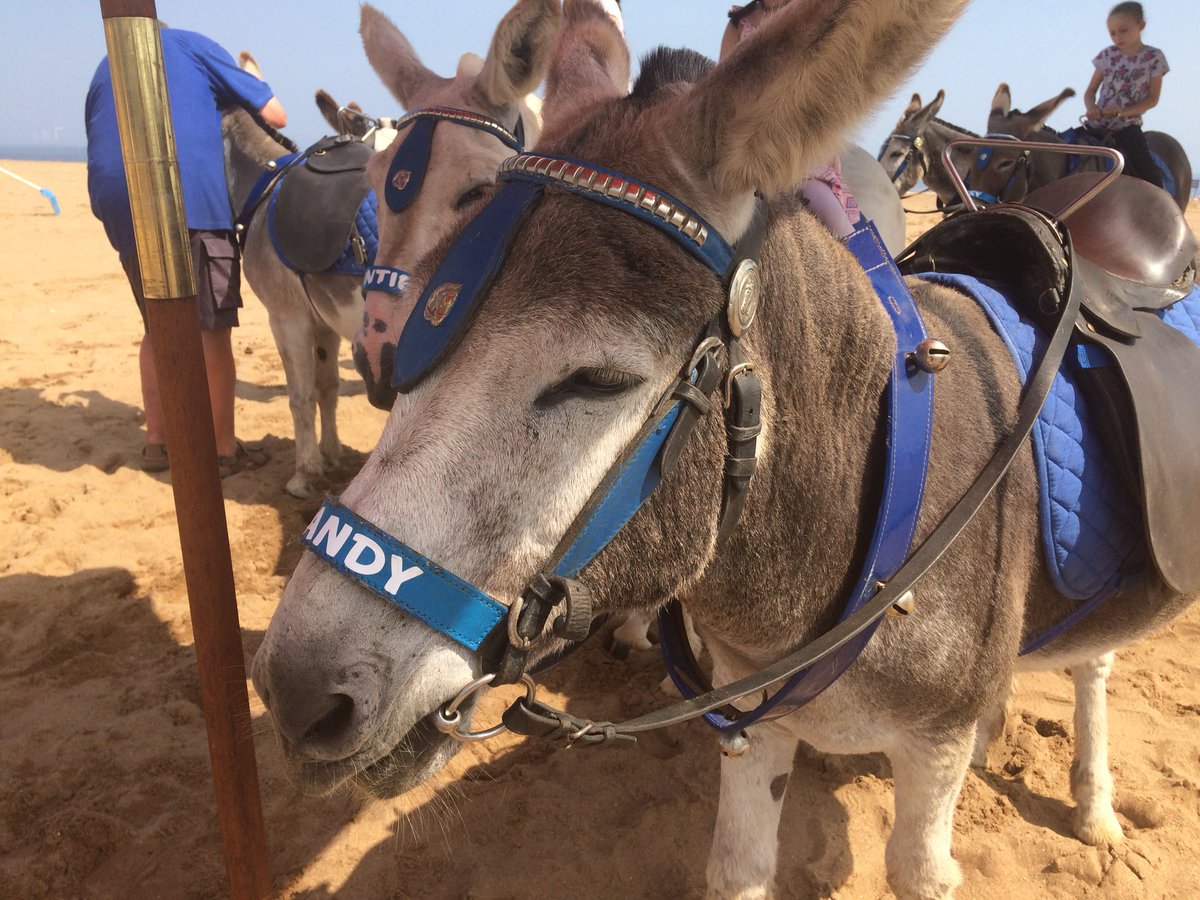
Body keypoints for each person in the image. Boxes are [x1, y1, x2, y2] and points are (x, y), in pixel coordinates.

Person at [85, 25, 287, 475]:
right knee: (210, 330)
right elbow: (276, 116)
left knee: (158, 326)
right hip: (188, 195)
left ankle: (157, 443)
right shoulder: (194, 47)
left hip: (118, 199)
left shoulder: (107, 64)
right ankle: (221, 449)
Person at [720, 0, 862, 239]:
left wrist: (825, 141)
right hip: (743, 144)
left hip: (793, 144)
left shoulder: (812, 13)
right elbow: (721, 90)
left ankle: (876, 273)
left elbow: (824, 87)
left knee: (836, 223)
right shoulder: (737, 24)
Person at [1082, 1, 1168, 189]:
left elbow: (1152, 99)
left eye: (1123, 30)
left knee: (1149, 176)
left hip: (1127, 128)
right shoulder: (1107, 55)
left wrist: (1122, 112)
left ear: (1141, 26)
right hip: (1096, 125)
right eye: (1112, 32)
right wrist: (1092, 108)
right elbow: (1090, 91)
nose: (1117, 37)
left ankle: (1159, 206)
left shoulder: (1154, 57)